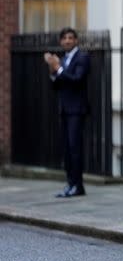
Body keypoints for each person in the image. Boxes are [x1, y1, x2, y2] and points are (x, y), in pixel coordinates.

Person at [43, 27, 90, 198]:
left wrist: (59, 69)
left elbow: (77, 80)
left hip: (77, 109)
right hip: (64, 109)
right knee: (67, 149)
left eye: (71, 38)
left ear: (76, 40)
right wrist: (53, 70)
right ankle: (70, 183)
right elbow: (56, 86)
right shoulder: (63, 59)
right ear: (61, 42)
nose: (68, 41)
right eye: (64, 38)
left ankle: (78, 185)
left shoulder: (83, 57)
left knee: (75, 148)